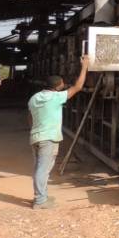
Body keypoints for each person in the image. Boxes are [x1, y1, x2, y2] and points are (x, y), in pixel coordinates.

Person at [27, 55, 89, 210]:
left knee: (39, 168)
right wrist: (85, 66)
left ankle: (42, 196)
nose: (64, 85)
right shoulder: (56, 97)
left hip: (35, 137)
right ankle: (40, 201)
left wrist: (34, 129)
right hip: (48, 138)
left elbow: (28, 116)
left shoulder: (34, 98)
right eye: (62, 83)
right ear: (58, 86)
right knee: (43, 169)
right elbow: (78, 87)